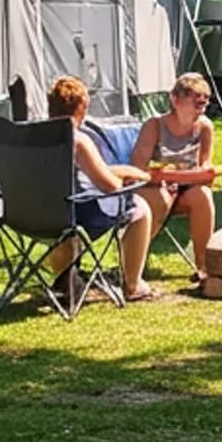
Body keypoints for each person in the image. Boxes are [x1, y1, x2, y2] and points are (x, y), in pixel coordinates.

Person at [47, 73, 163, 305]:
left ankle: (66, 280)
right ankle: (132, 285)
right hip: (77, 215)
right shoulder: (77, 140)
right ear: (82, 107)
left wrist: (123, 170)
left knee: (63, 214)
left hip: (33, 214)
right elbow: (108, 185)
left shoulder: (30, 136)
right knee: (140, 209)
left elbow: (89, 172)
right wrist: (129, 181)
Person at [134, 73, 221, 277]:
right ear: (175, 100)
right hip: (152, 191)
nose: (201, 108)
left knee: (203, 196)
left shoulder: (205, 127)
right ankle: (131, 262)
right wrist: (185, 176)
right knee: (161, 196)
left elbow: (206, 174)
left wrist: (169, 176)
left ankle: (203, 267)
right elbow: (139, 170)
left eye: (204, 104)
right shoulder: (154, 126)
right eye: (196, 103)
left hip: (183, 191)